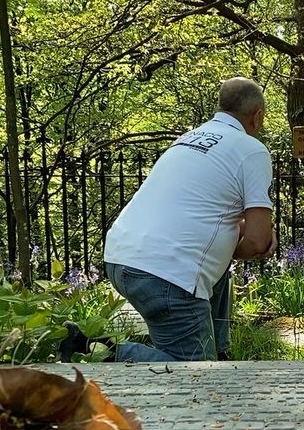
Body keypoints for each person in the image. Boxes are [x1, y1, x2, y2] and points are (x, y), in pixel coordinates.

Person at [103, 77, 276, 361]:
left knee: (217, 268)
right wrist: (259, 237)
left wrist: (245, 233)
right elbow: (257, 242)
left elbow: (203, 214)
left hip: (120, 259)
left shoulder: (187, 139)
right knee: (195, 379)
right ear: (257, 116)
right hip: (168, 276)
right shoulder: (251, 150)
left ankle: (219, 353)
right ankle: (100, 353)